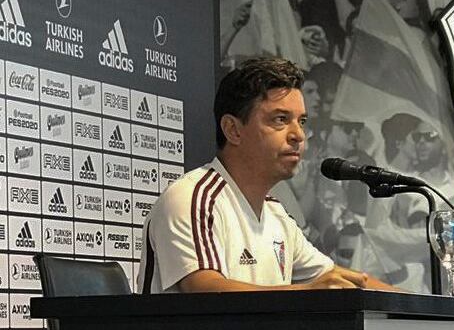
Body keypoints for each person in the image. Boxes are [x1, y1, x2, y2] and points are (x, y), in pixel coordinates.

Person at [138, 57, 393, 293]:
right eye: (280, 119)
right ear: (233, 130)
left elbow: (340, 280)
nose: (298, 135)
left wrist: (412, 305)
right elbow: (205, 290)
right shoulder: (193, 198)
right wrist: (307, 293)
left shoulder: (276, 214)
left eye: (302, 121)